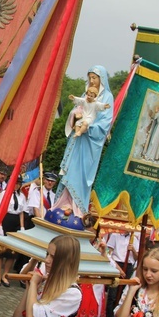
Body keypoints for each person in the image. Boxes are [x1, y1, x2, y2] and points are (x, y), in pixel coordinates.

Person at [57, 65, 115, 217]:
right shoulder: (86, 93)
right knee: (69, 170)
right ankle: (63, 204)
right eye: (90, 77)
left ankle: (76, 208)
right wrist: (75, 115)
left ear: (101, 79)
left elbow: (105, 122)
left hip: (90, 143)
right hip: (77, 140)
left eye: (94, 78)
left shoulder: (107, 97)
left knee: (81, 174)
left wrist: (88, 126)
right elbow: (77, 108)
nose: (92, 80)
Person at [103, 232, 140, 317]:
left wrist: (132, 249)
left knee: (124, 295)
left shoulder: (135, 239)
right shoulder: (115, 235)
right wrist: (117, 268)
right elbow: (109, 253)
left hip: (128, 266)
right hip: (117, 264)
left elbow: (137, 258)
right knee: (112, 295)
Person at [0, 176, 26, 287]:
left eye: (19, 183)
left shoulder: (22, 196)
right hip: (5, 221)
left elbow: (22, 212)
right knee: (1, 251)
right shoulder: (4, 194)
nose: (17, 185)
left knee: (12, 253)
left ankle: (5, 275)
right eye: (15, 183)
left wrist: (22, 227)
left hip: (16, 223)